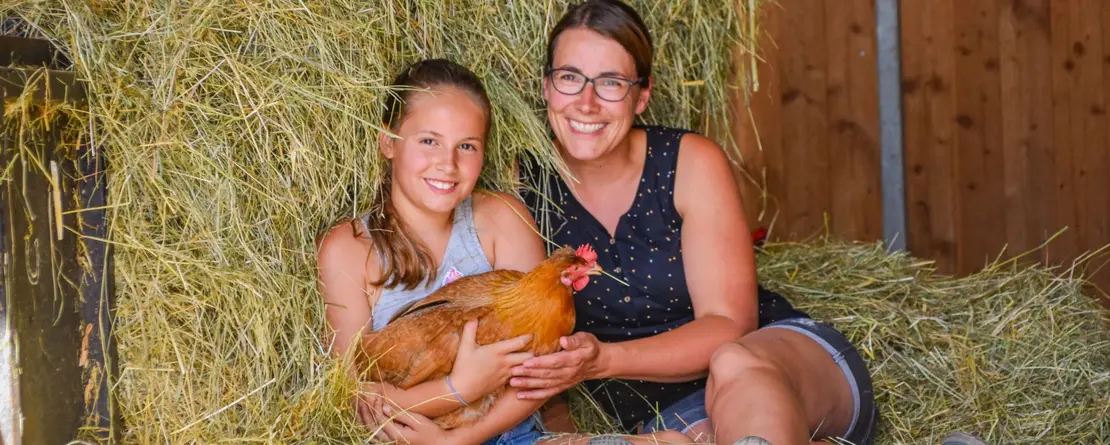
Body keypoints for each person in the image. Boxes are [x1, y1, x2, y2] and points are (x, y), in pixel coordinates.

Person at [512, 1, 879, 444]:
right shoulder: (520, 186)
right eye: (570, 78)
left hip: (777, 365)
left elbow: (730, 324)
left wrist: (603, 360)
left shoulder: (687, 163)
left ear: (642, 95)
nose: (586, 104)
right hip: (669, 417)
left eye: (610, 82)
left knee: (733, 362)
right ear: (546, 86)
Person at [316, 58, 690, 445]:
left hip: (512, 436)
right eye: (429, 141)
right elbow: (353, 394)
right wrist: (459, 389)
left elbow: (545, 366)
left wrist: (460, 439)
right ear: (388, 141)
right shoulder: (349, 250)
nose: (448, 163)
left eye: (466, 146)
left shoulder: (502, 218)